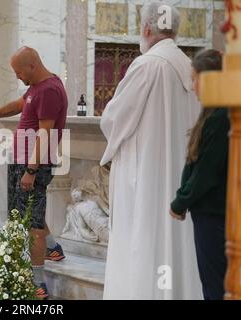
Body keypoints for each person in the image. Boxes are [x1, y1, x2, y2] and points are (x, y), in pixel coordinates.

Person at [99, 2, 203, 299]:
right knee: (174, 243)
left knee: (143, 241)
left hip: (145, 177)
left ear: (146, 29)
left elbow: (114, 119)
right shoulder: (190, 68)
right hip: (179, 178)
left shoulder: (147, 65)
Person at [0, 46, 68, 299]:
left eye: (18, 71)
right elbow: (19, 105)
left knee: (32, 224)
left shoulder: (49, 90)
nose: (16, 76)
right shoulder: (38, 87)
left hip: (34, 165)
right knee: (28, 212)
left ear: (32, 66)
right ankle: (53, 247)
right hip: (24, 162)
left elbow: (44, 134)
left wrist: (31, 170)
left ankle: (38, 284)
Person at [170, 49, 229, 300]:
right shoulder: (217, 114)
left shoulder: (221, 118)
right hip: (211, 213)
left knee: (215, 285)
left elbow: (206, 173)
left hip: (214, 216)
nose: (193, 87)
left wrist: (180, 202)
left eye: (195, 79)